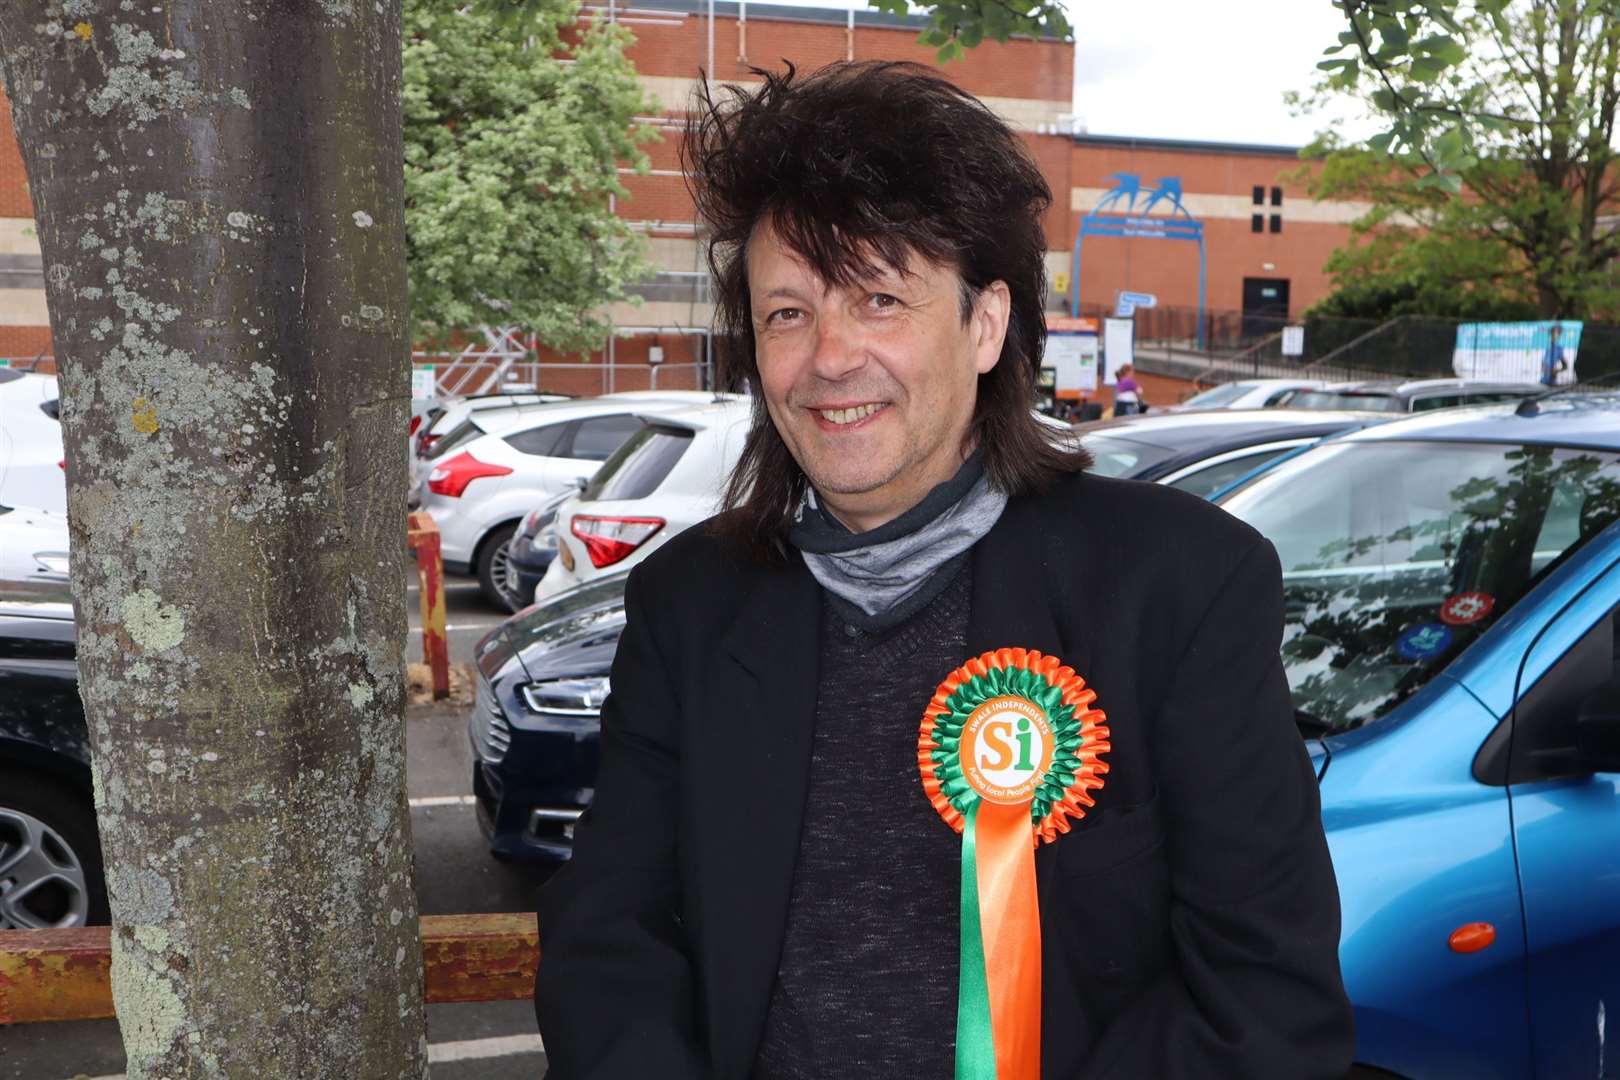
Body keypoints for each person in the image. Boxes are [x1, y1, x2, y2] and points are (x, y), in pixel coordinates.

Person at [534, 61, 1354, 1079]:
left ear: (983, 325)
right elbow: (607, 950)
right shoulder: (688, 607)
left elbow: (1265, 1003)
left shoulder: (1180, 587)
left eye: (879, 299)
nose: (829, 357)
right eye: (788, 313)